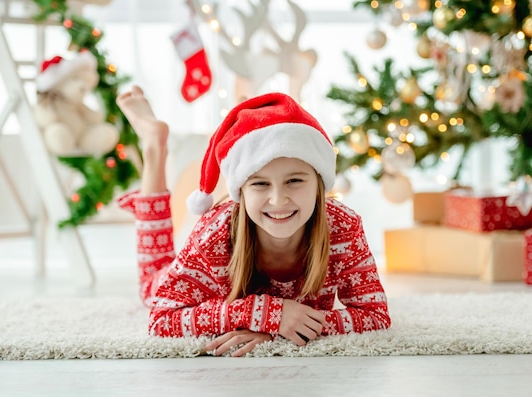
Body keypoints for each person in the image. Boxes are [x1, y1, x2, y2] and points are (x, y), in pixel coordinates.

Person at [116, 86, 391, 357]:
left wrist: (287, 328)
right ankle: (154, 146)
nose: (278, 199)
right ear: (242, 192)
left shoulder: (343, 227)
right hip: (198, 273)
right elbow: (162, 319)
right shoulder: (213, 233)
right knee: (151, 283)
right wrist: (264, 313)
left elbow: (376, 315)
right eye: (260, 184)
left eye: (294, 181)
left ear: (319, 184)